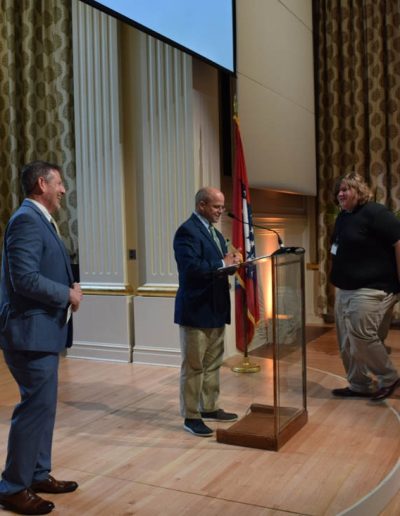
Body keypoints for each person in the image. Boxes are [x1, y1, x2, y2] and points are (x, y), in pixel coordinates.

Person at [0, 161, 83, 515]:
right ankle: (12, 487)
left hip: (41, 332)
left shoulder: (39, 220)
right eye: (59, 183)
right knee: (34, 409)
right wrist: (67, 294)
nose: (63, 190)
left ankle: (36, 474)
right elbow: (25, 279)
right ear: (41, 184)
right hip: (28, 333)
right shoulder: (26, 221)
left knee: (43, 407)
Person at [174, 187, 242, 437]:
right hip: (196, 309)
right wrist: (222, 263)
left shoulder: (215, 233)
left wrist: (231, 265)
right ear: (201, 205)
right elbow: (191, 268)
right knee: (194, 366)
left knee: (213, 363)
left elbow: (216, 266)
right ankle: (191, 416)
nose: (221, 211)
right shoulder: (186, 231)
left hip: (216, 307)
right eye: (216, 206)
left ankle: (209, 408)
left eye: (222, 207)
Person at [330, 171, 400, 402]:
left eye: (345, 189)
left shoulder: (376, 213)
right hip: (345, 289)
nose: (340, 194)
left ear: (359, 191)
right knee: (346, 343)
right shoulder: (343, 217)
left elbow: (398, 241)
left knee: (361, 336)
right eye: (339, 190)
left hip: (372, 287)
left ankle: (389, 379)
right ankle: (359, 385)